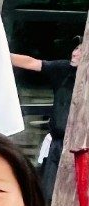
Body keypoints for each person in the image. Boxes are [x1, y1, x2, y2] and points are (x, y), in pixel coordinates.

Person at [10, 43, 82, 198]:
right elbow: (31, 63)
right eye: (75, 48)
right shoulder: (63, 69)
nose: (75, 53)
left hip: (82, 147)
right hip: (58, 144)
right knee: (49, 191)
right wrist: (0, 55)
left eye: (81, 50)